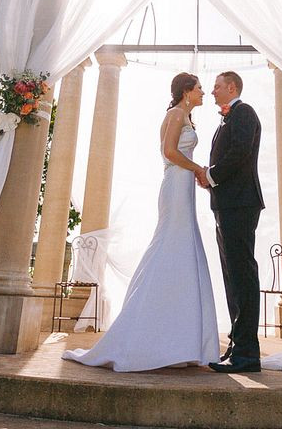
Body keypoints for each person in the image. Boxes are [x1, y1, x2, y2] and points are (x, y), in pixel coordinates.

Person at [62, 73, 220, 371]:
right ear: (187, 91)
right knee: (172, 247)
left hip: (183, 187)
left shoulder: (185, 116)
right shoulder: (175, 114)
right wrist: (199, 168)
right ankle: (157, 339)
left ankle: (180, 341)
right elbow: (169, 152)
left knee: (183, 251)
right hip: (175, 186)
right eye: (199, 88)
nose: (203, 93)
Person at [202, 70, 264, 374]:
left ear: (232, 87)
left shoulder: (244, 112)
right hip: (226, 204)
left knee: (242, 275)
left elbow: (241, 151)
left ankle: (248, 355)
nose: (212, 92)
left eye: (216, 87)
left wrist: (211, 174)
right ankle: (237, 346)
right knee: (232, 277)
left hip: (240, 202)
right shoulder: (226, 117)